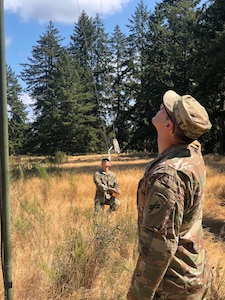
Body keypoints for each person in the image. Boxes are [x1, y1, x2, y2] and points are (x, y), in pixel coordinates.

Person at [127, 90, 212, 300]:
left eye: (166, 109)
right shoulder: (192, 152)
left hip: (174, 288)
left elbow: (159, 248)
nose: (161, 106)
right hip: (194, 273)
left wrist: (138, 296)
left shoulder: (167, 178)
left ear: (169, 126)